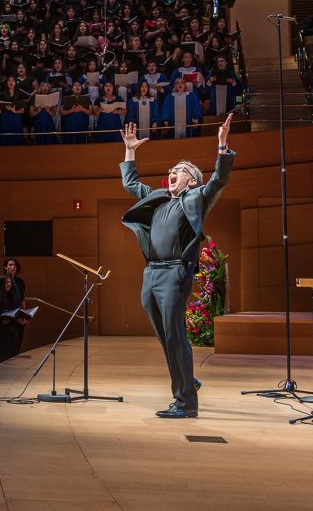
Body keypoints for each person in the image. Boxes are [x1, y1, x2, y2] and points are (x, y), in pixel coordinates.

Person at [119, 115, 235, 418]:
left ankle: (185, 403)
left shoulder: (197, 197)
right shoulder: (157, 198)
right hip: (151, 274)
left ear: (192, 180)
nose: (173, 172)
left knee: (175, 336)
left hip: (174, 273)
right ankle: (188, 381)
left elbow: (219, 180)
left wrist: (222, 147)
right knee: (166, 336)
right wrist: (130, 150)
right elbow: (130, 183)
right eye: (172, 169)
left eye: (180, 170)